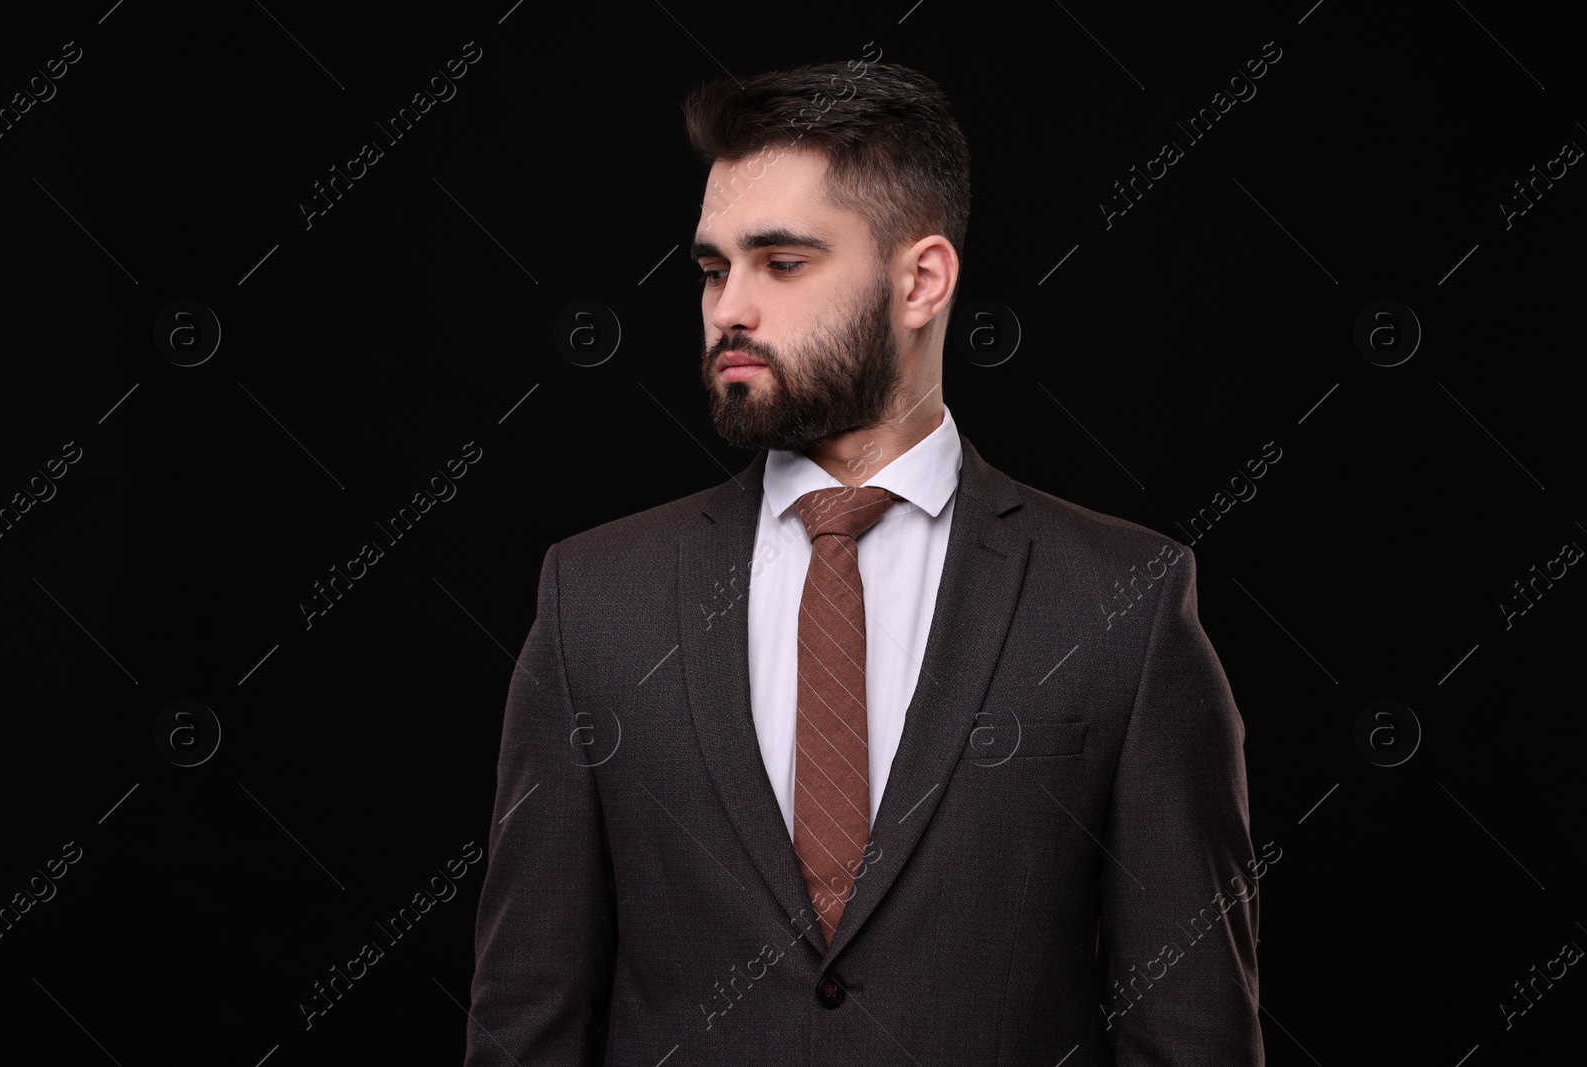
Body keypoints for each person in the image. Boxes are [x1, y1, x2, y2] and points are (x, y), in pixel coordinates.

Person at [464, 59, 1263, 1066]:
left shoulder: (1123, 601)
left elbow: (1189, 1033)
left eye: (781, 262)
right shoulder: (594, 599)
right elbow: (525, 1021)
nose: (728, 310)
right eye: (714, 269)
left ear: (920, 279)